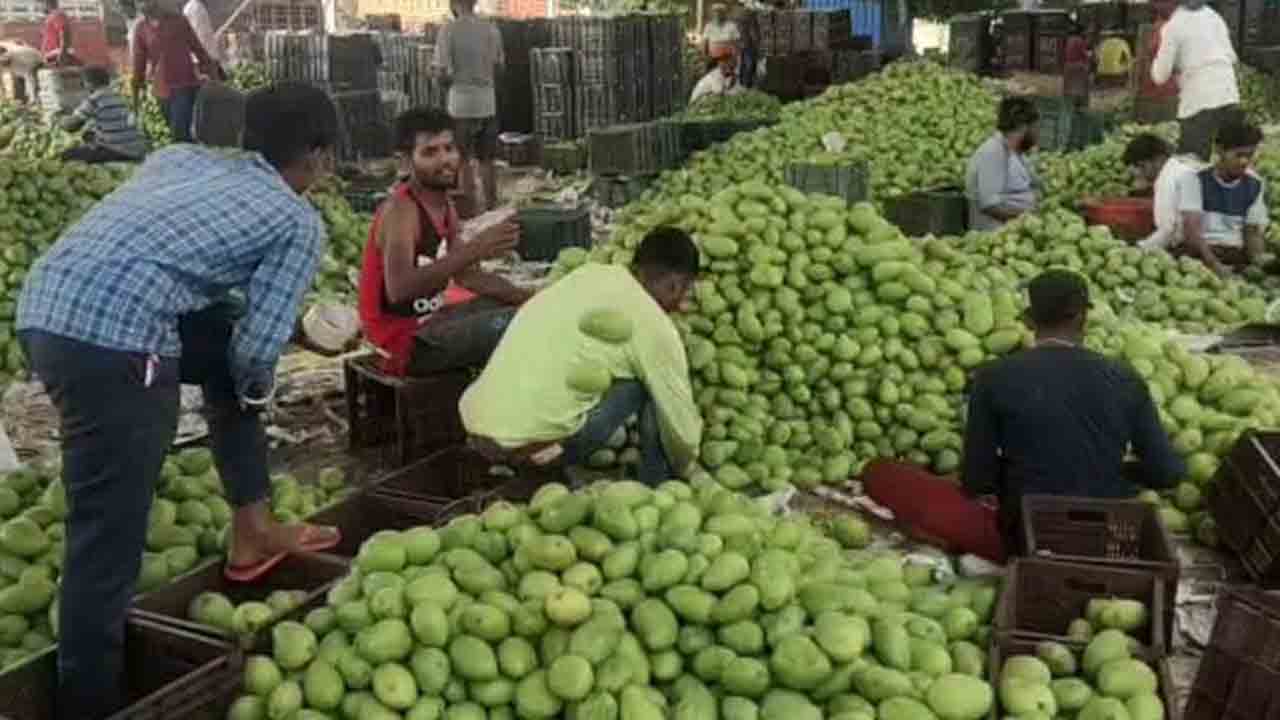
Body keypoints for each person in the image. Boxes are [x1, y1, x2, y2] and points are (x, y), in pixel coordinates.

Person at [16, 82, 343, 720]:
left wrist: (233, 373)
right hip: (113, 344)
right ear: (321, 155)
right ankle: (89, 702)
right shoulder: (295, 219)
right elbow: (258, 350)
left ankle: (252, 530)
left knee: (224, 347)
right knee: (107, 535)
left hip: (43, 308)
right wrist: (253, 391)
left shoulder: (179, 157)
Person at [460, 226, 704, 486]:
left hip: (475, 428)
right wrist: (688, 466)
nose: (682, 303)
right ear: (675, 284)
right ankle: (656, 488)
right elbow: (681, 429)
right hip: (532, 450)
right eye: (685, 292)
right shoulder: (655, 326)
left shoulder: (588, 274)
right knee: (650, 388)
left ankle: (529, 461)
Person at [357, 107, 532, 378]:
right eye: (430, 152)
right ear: (405, 162)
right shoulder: (400, 210)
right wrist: (477, 248)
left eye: (449, 148)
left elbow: (467, 277)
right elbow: (399, 289)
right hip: (401, 343)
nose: (445, 160)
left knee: (523, 309)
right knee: (521, 325)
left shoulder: (444, 206)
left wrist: (531, 298)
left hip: (430, 322)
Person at [432, 0, 503, 212]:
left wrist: (443, 80)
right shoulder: (491, 29)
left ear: (454, 4)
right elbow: (499, 67)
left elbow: (441, 72)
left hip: (461, 105)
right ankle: (492, 209)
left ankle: (471, 211)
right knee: (487, 160)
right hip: (487, 103)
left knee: (462, 161)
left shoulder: (448, 30)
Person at [1175, 116, 1268, 275]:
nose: (1244, 161)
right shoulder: (1195, 179)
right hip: (1199, 255)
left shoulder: (1255, 184)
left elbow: (1251, 232)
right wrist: (1214, 265)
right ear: (1219, 150)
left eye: (1249, 155)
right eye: (1238, 155)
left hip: (1234, 254)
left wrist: (1259, 262)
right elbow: (1192, 232)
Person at [1151, 0, 1240, 162]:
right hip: (1229, 95)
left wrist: (1157, 54)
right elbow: (1232, 58)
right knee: (1230, 158)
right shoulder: (1213, 16)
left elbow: (1160, 76)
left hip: (1199, 101)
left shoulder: (1173, 26)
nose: (1154, 7)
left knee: (1192, 161)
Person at [133, 0, 215, 143]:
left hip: (185, 84)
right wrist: (136, 97)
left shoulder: (178, 21)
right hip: (161, 90)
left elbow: (198, 49)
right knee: (177, 132)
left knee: (180, 133)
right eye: (138, 2)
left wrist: (212, 75)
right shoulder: (141, 29)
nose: (142, 6)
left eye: (145, 1)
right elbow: (138, 64)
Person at [965, 96, 1041, 231]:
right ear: (1022, 127)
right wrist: (1027, 218)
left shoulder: (1015, 153)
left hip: (1018, 228)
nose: (1038, 134)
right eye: (1035, 128)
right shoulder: (993, 152)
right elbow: (990, 206)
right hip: (996, 232)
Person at [1123, 132, 1201, 251]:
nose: (1140, 174)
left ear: (1158, 159)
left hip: (1195, 245)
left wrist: (1140, 247)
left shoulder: (1166, 180)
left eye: (1142, 166)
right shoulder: (1179, 169)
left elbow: (1168, 230)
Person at [59, 66, 148, 164]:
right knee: (88, 135)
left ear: (88, 84)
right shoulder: (119, 96)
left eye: (83, 83)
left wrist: (61, 120)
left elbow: (71, 126)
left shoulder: (94, 100)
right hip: (137, 149)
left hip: (117, 151)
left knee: (67, 155)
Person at [183, 0, 224, 76]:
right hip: (203, 58)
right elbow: (200, 35)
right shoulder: (194, 8)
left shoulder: (195, 7)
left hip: (205, 56)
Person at [1062, 22, 1092, 108]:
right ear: (1081, 32)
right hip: (1079, 67)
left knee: (1069, 90)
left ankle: (1069, 106)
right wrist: (1090, 56)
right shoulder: (1080, 41)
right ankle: (1081, 106)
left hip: (1068, 67)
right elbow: (1085, 54)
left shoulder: (1069, 40)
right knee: (1081, 90)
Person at [41, 0, 75, 66]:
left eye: (42, 3)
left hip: (55, 54)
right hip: (51, 55)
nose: (41, 6)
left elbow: (64, 34)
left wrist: (62, 53)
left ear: (48, 3)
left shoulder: (57, 14)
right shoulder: (52, 16)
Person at [736, 6, 759, 88]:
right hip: (749, 46)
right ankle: (747, 84)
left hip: (741, 45)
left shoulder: (739, 21)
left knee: (742, 65)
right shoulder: (751, 21)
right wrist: (757, 44)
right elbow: (753, 34)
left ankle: (742, 83)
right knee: (749, 65)